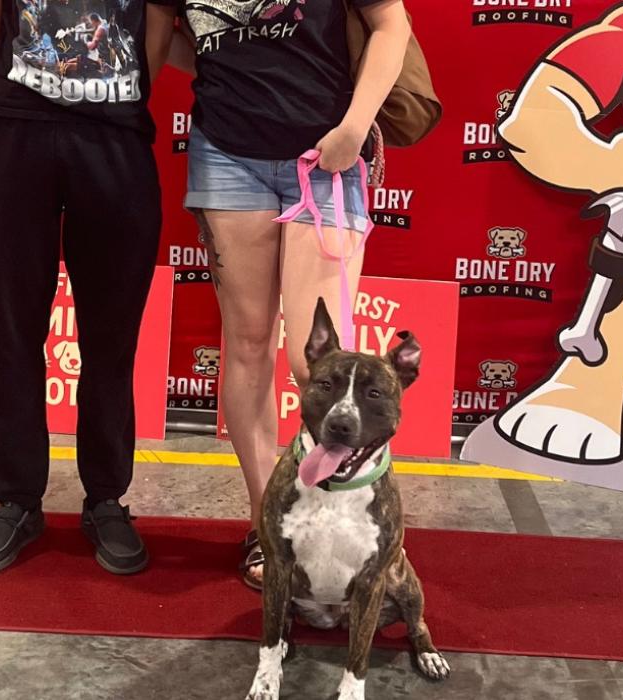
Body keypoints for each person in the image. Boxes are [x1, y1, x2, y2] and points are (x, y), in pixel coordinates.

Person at [170, 0, 412, 589]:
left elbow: (390, 23)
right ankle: (269, 523)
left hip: (327, 149)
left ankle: (340, 519)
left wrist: (355, 128)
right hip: (226, 151)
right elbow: (172, 41)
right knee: (248, 344)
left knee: (319, 364)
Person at [0, 0, 176, 576]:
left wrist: (113, 102)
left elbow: (156, 27)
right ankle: (16, 500)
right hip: (14, 135)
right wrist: (18, 103)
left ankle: (106, 498)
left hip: (115, 141)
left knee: (111, 337)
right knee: (10, 331)